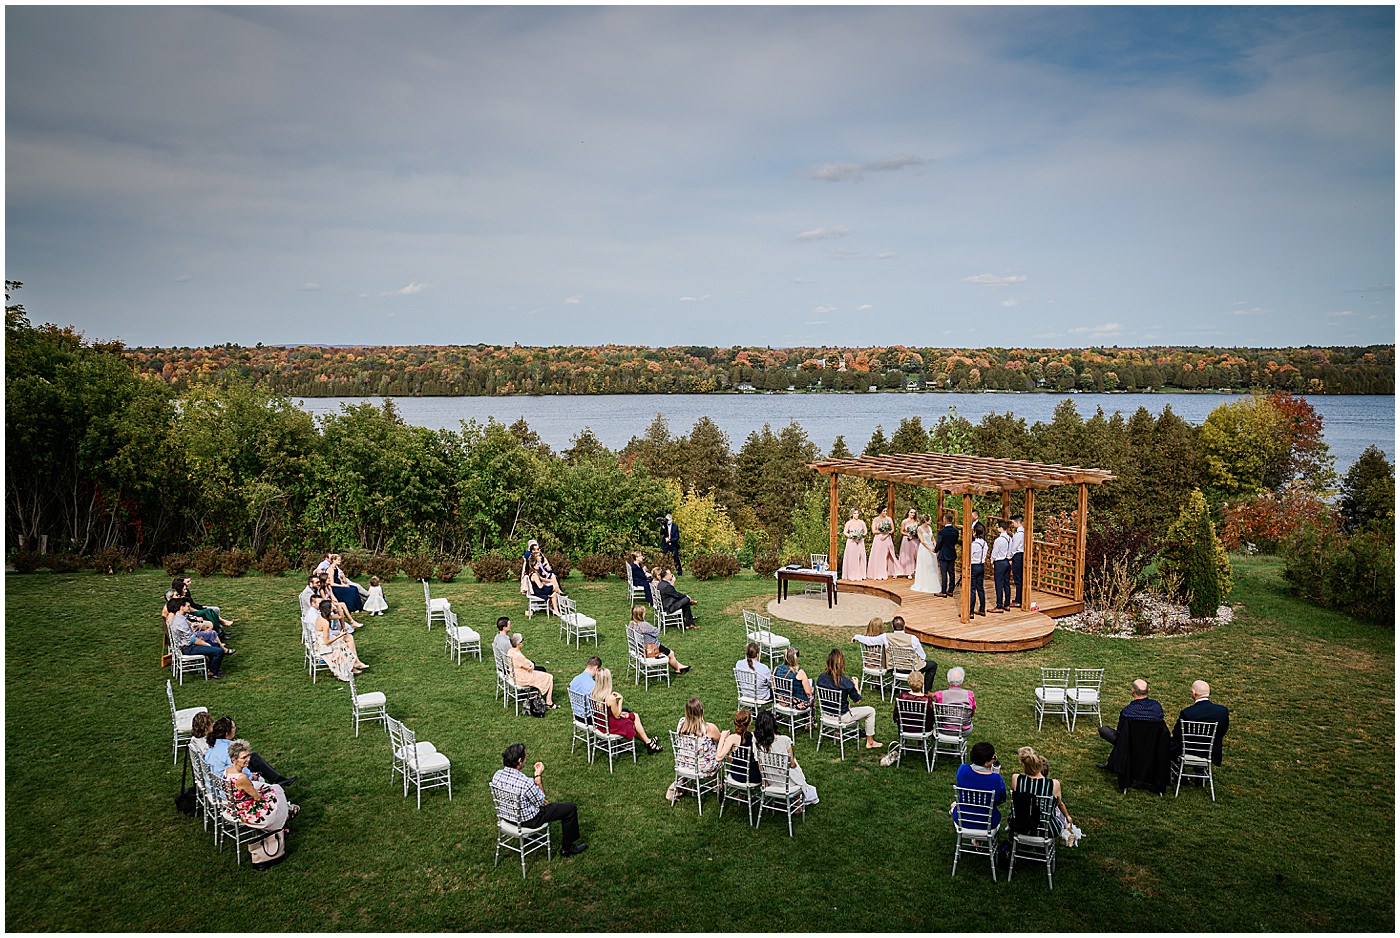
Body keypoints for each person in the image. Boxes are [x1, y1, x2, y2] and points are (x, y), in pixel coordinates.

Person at [491, 743, 587, 856]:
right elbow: (542, 802)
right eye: (525, 757)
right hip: (528, 821)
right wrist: (538, 777)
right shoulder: (525, 783)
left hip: (508, 818)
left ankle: (528, 839)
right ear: (520, 761)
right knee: (570, 809)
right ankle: (567, 848)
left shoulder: (497, 775)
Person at [221, 740, 296, 844]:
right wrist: (263, 792)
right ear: (234, 760)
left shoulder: (228, 770)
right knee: (277, 792)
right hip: (245, 810)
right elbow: (257, 798)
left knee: (273, 790)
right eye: (244, 758)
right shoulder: (242, 778)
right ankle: (283, 822)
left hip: (234, 806)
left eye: (248, 756)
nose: (248, 759)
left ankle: (286, 816)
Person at [814, 648, 882, 750]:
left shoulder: (821, 678)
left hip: (826, 714)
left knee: (842, 705)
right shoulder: (845, 682)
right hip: (841, 717)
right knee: (871, 711)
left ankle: (837, 734)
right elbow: (858, 700)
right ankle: (870, 742)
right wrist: (856, 685)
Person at [203, 716, 295, 786]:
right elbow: (237, 767)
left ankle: (279, 779)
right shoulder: (229, 749)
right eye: (234, 728)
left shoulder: (212, 745)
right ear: (227, 733)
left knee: (253, 757)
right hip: (227, 787)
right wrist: (251, 776)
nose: (235, 729)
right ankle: (278, 786)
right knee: (254, 764)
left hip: (214, 785)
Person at [753, 709, 819, 805]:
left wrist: (765, 783)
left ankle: (797, 800)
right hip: (788, 782)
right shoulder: (784, 740)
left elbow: (760, 767)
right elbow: (792, 764)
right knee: (794, 764)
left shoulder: (757, 744)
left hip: (772, 781)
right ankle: (797, 802)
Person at [591, 667, 662, 753]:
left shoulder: (594, 693)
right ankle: (649, 743)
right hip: (611, 726)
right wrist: (620, 699)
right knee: (634, 717)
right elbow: (617, 715)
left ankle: (648, 742)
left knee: (633, 716)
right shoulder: (610, 698)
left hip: (601, 723)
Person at [1011, 746, 1072, 843]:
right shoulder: (1054, 784)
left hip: (1021, 826)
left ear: (1023, 765)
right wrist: (1067, 816)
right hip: (1046, 830)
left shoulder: (1016, 779)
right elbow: (1060, 804)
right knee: (1056, 810)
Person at [667, 697, 720, 802]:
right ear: (702, 710)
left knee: (708, 748)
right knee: (717, 749)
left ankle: (676, 786)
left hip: (684, 763)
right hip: (702, 767)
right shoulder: (709, 728)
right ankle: (716, 784)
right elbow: (719, 740)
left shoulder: (682, 723)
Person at [1097, 678, 1164, 759]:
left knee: (1104, 730)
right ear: (1148, 690)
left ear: (1133, 692)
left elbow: (1120, 733)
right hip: (1152, 742)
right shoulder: (1157, 707)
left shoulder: (1128, 711)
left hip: (1130, 744)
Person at [1171, 680, 1230, 765]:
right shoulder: (1222, 711)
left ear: (1193, 692)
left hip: (1189, 750)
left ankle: (1179, 774)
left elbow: (1177, 734)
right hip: (1212, 750)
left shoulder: (1188, 713)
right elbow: (1223, 731)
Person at [167, 597, 226, 679]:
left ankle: (212, 669)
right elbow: (192, 640)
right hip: (188, 648)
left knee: (216, 645)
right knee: (219, 651)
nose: (189, 608)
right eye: (187, 606)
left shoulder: (179, 618)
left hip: (188, 645)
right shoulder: (180, 622)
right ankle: (213, 673)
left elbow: (189, 636)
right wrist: (206, 644)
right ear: (182, 607)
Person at [953, 741, 1006, 829]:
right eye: (993, 758)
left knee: (958, 804)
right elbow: (1001, 799)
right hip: (987, 822)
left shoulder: (962, 770)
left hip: (962, 818)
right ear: (986, 763)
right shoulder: (996, 779)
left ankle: (953, 807)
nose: (995, 760)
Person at [314, 599, 365, 681]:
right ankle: (351, 667)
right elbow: (326, 642)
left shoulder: (324, 616)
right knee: (345, 647)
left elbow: (341, 616)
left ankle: (354, 664)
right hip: (324, 646)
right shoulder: (325, 622)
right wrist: (340, 636)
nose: (333, 607)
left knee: (348, 637)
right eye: (332, 606)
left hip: (325, 642)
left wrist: (338, 606)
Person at [631, 604, 691, 672]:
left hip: (639, 649)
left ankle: (680, 666)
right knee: (671, 653)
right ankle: (678, 669)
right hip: (651, 648)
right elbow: (657, 632)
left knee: (668, 652)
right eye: (644, 613)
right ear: (640, 615)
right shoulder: (644, 625)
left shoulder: (631, 624)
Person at [508, 633, 557, 709]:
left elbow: (525, 662)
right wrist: (532, 665)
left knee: (542, 674)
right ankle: (549, 702)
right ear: (518, 644)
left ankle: (538, 696)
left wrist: (530, 664)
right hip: (522, 678)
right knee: (549, 677)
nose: (522, 642)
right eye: (522, 641)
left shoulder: (510, 651)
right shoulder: (518, 656)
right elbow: (529, 667)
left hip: (515, 676)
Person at [887, 615, 937, 688]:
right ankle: (927, 691)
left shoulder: (887, 637)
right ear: (904, 627)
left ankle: (897, 685)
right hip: (910, 669)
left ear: (892, 626)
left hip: (895, 667)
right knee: (933, 665)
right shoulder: (913, 639)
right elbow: (922, 656)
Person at [715, 709, 760, 783]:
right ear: (749, 723)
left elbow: (718, 757)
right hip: (754, 776)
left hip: (738, 775)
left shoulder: (732, 738)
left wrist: (722, 737)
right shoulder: (754, 736)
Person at [934, 666, 976, 731]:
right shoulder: (969, 694)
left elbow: (939, 709)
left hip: (945, 727)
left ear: (948, 680)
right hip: (963, 729)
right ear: (962, 680)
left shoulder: (940, 694)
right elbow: (972, 711)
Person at [866, 506, 898, 580]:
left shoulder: (889, 519)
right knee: (879, 555)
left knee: (887, 554)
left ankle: (891, 571)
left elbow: (892, 529)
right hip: (878, 539)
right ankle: (878, 572)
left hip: (887, 538)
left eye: (886, 511)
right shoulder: (875, 520)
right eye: (884, 511)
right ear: (880, 511)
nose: (885, 512)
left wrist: (886, 534)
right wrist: (882, 531)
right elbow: (874, 531)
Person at [911, 512, 939, 594]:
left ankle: (932, 583)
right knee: (924, 565)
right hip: (924, 549)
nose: (931, 521)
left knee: (932, 565)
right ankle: (923, 584)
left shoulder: (930, 528)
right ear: (925, 521)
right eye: (930, 520)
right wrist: (930, 548)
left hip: (932, 548)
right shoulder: (919, 529)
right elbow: (922, 541)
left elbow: (933, 538)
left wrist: (936, 547)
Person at [989, 519, 1013, 612]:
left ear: (1001, 528)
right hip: (1006, 561)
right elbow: (1010, 551)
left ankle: (999, 605)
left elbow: (995, 552)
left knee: (998, 583)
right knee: (1006, 583)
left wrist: (992, 561)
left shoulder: (999, 540)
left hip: (999, 561)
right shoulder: (1009, 538)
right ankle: (1007, 603)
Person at [934, 512, 960, 597]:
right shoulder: (956, 531)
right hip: (952, 553)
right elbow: (955, 541)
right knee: (951, 572)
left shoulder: (942, 532)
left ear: (945, 520)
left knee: (944, 573)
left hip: (944, 554)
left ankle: (943, 591)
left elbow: (939, 543)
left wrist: (936, 550)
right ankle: (951, 590)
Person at [968, 521, 988, 617]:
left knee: (972, 589)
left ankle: (970, 611)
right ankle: (982, 608)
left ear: (975, 532)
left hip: (974, 565)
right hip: (981, 565)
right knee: (980, 588)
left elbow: (970, 556)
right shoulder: (985, 544)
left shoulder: (974, 545)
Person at [841, 508, 868, 581]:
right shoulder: (849, 523)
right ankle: (852, 574)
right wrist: (850, 536)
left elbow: (865, 531)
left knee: (861, 557)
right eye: (855, 513)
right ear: (852, 514)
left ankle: (861, 574)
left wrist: (862, 535)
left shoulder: (862, 522)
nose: (857, 515)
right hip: (851, 542)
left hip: (860, 541)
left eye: (857, 513)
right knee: (852, 558)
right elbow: (845, 532)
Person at [898, 508, 920, 578]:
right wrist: (907, 534)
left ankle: (916, 570)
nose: (913, 514)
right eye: (911, 512)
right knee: (908, 555)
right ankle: (908, 572)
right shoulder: (904, 521)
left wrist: (915, 534)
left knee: (916, 555)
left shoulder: (916, 522)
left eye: (914, 513)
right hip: (907, 540)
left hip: (915, 540)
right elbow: (901, 531)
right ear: (908, 513)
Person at [1010, 515, 1026, 606]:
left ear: (1016, 522)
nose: (1012, 524)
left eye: (1012, 523)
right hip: (1022, 555)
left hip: (1017, 555)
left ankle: (1018, 600)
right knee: (1020, 577)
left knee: (1017, 578)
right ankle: (1020, 598)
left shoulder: (1018, 534)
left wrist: (1010, 557)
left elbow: (1014, 547)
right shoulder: (1024, 532)